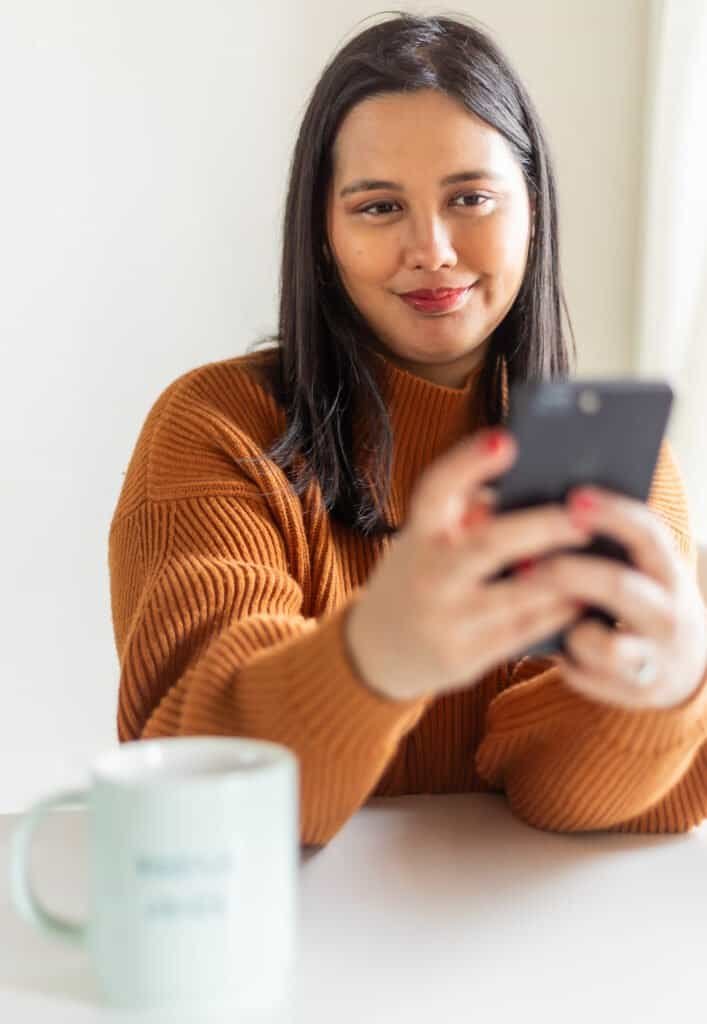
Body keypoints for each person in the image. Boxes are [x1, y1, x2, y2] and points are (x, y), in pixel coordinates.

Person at [108, 14, 707, 846]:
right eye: (378, 206)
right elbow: (193, 774)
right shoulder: (216, 429)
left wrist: (665, 689)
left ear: (531, 212)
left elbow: (567, 795)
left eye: (470, 198)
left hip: (522, 956)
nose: (429, 250)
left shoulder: (621, 466)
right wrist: (378, 653)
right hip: (276, 956)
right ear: (323, 234)